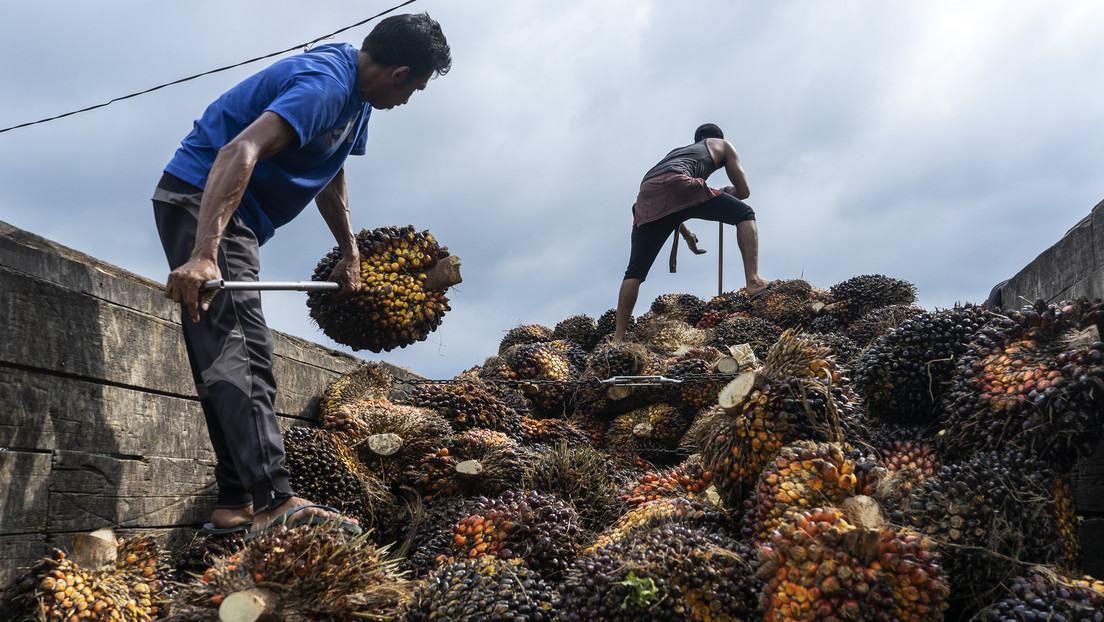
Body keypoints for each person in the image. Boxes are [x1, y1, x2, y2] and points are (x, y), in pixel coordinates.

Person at [152, 13, 451, 536]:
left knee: (219, 353)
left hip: (230, 215)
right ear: (400, 73)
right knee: (244, 348)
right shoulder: (327, 84)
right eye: (417, 90)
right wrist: (204, 254)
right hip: (205, 203)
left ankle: (234, 502)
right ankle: (273, 502)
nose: (409, 101)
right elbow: (238, 149)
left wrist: (349, 247)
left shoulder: (356, 100)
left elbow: (330, 168)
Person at [614, 123, 773, 341]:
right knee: (745, 214)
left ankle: (618, 338)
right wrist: (728, 191)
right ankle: (753, 281)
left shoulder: (677, 154)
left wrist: (688, 237)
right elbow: (744, 192)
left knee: (634, 273)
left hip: (646, 195)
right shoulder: (722, 145)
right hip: (679, 183)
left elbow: (671, 206)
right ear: (715, 138)